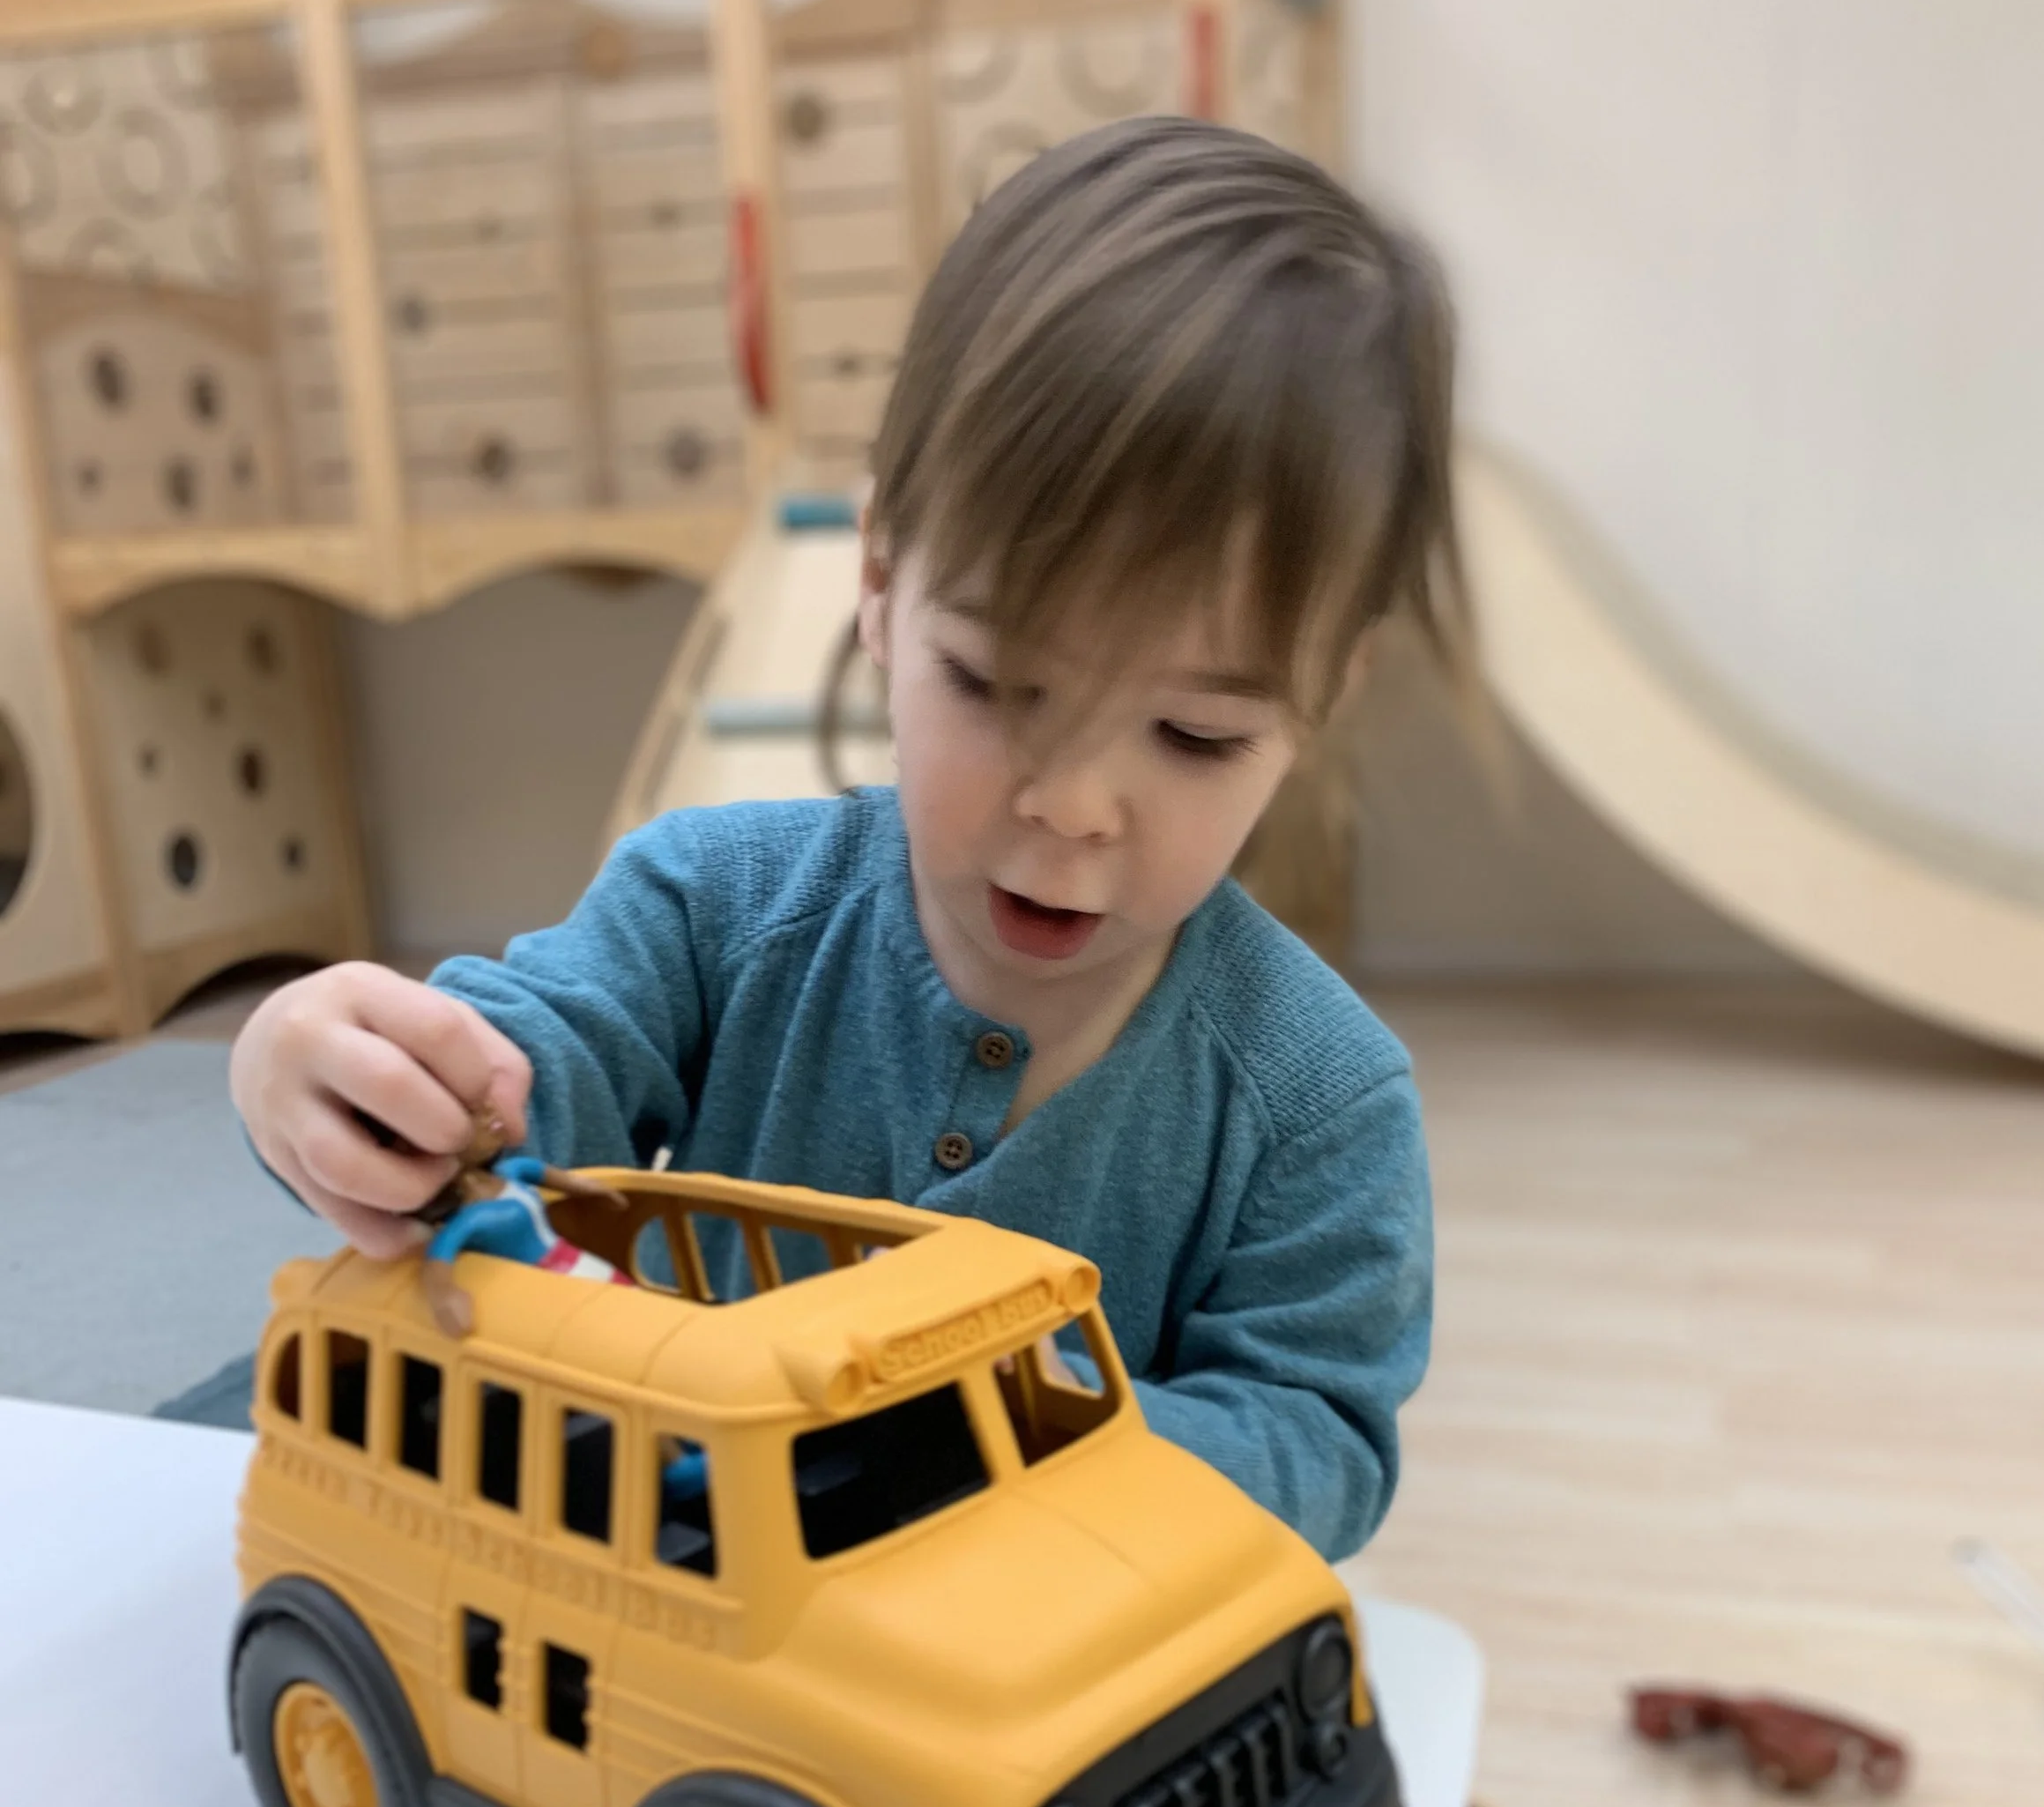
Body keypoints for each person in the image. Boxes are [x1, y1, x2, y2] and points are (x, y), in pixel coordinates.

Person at [231, 116, 1466, 1561]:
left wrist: (999, 1421)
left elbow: (1317, 1443)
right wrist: (334, 1071)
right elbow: (511, 1087)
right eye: (1003, 688)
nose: (1073, 804)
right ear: (879, 584)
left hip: (1011, 1681)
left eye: (1193, 737)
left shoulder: (1321, 1105)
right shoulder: (710, 908)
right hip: (679, 1604)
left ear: (1326, 695)